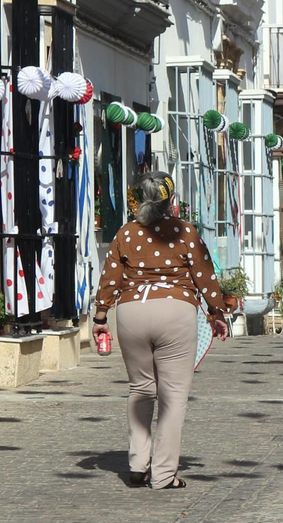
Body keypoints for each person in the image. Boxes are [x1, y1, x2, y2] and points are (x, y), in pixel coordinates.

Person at [91, 172, 229, 489]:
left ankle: (138, 465)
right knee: (173, 395)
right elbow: (204, 274)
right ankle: (164, 474)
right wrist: (216, 311)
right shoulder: (185, 232)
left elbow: (110, 277)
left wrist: (100, 316)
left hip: (131, 312)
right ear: (171, 201)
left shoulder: (125, 234)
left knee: (141, 389)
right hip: (175, 310)